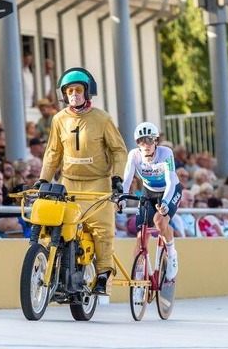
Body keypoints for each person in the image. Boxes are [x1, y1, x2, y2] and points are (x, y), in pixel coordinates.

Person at [33, 67, 127, 295]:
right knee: (58, 225)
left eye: (78, 90)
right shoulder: (59, 119)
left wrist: (117, 177)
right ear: (64, 95)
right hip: (68, 182)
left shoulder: (102, 118)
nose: (74, 94)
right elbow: (53, 152)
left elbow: (118, 150)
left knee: (102, 230)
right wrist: (43, 179)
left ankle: (103, 275)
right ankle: (57, 269)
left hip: (98, 182)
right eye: (69, 91)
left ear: (87, 91)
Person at [122, 122, 182, 281]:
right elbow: (127, 180)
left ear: (156, 141)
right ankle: (140, 274)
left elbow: (170, 181)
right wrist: (122, 199)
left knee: (160, 222)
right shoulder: (134, 155)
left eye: (149, 140)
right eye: (141, 141)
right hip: (149, 191)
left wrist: (166, 203)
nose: (146, 145)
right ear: (137, 143)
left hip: (169, 190)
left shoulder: (165, 153)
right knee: (141, 235)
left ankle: (171, 254)